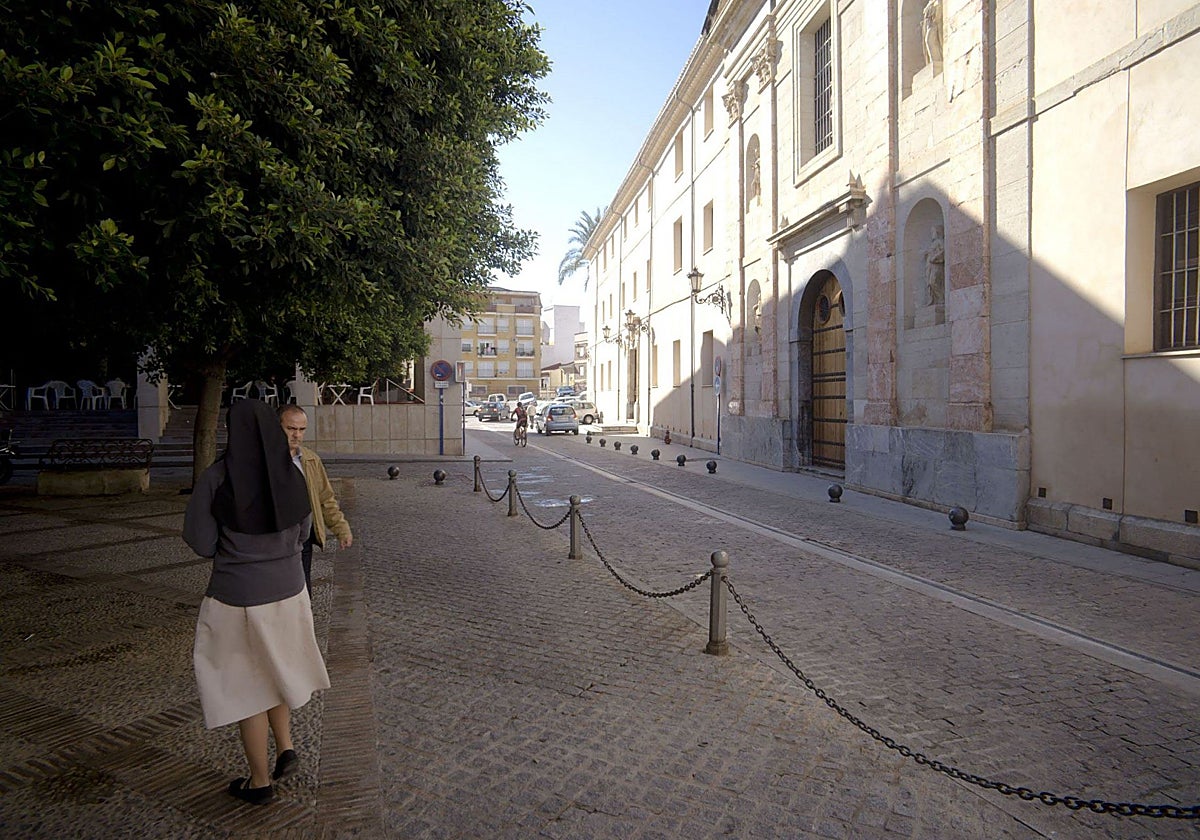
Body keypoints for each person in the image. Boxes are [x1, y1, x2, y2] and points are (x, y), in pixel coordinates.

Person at [183, 399, 330, 805]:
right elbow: (303, 534)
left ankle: (259, 782)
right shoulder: (292, 474)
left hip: (238, 597)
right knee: (276, 669)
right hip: (290, 591)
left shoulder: (217, 477)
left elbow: (200, 540)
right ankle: (285, 748)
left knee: (247, 686)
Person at [278, 404, 353, 594]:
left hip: (303, 537)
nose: (297, 435)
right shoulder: (265, 460)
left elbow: (325, 497)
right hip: (275, 539)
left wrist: (341, 528)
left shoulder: (310, 460)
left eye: (301, 429)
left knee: (302, 590)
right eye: (291, 429)